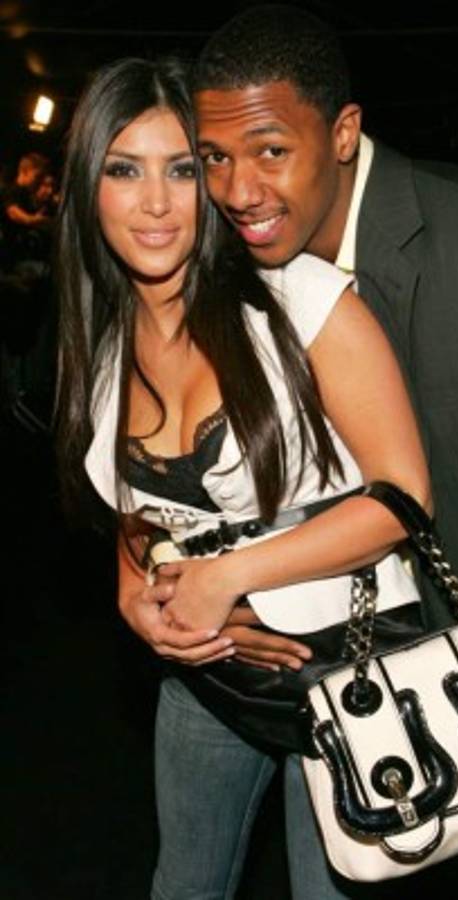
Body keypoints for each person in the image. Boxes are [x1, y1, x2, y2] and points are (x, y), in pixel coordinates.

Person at [181, 5, 458, 899]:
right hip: (332, 693)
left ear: (343, 133)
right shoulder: (218, 267)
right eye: (215, 158)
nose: (238, 190)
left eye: (271, 150)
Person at [55, 56, 430, 899]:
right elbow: (141, 513)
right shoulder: (105, 349)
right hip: (209, 678)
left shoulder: (299, 298)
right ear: (88, 189)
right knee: (182, 887)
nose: (156, 203)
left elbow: (403, 499)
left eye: (183, 170)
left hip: (345, 673)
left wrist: (226, 576)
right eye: (125, 170)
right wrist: (134, 593)